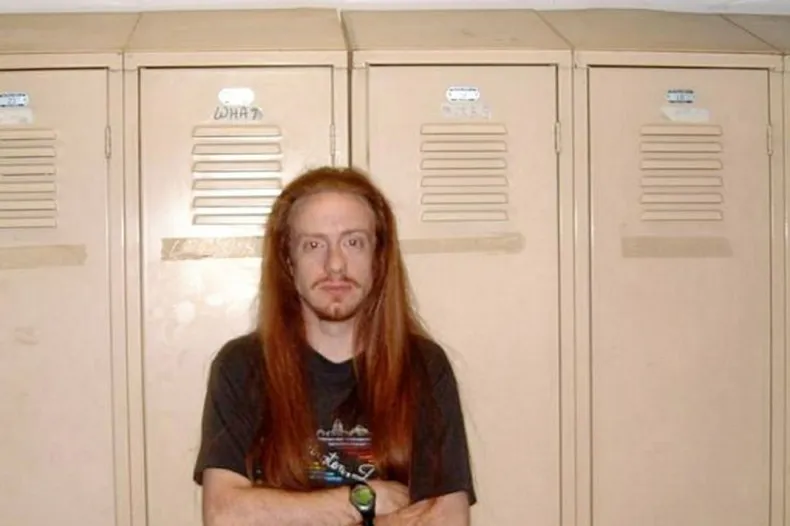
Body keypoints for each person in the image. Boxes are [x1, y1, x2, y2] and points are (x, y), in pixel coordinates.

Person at [192, 166, 476, 525]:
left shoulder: (423, 365)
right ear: (288, 261)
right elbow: (224, 515)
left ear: (378, 258)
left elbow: (449, 519)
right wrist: (362, 500)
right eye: (313, 245)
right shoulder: (242, 365)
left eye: (353, 242)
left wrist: (282, 512)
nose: (336, 264)